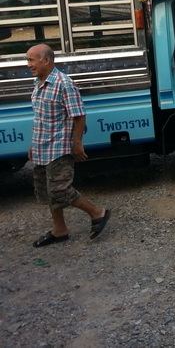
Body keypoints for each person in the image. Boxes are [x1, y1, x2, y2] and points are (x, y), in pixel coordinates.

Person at [26, 43, 111, 247]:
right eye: (27, 60)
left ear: (46, 60)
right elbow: (40, 118)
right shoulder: (39, 83)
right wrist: (33, 145)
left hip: (58, 147)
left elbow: (79, 116)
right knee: (47, 191)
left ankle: (98, 213)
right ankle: (59, 230)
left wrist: (77, 143)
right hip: (41, 146)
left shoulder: (63, 83)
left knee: (60, 190)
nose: (28, 64)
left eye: (31, 60)